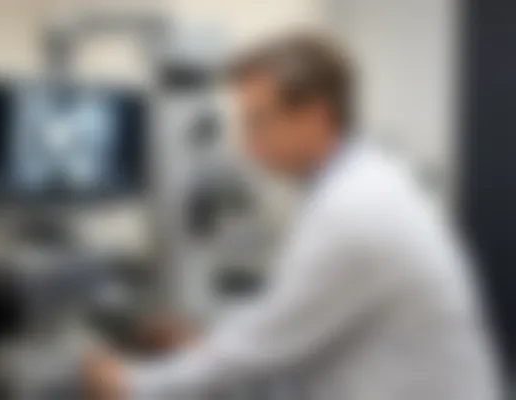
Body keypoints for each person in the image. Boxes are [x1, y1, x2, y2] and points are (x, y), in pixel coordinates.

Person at [84, 33, 500, 399]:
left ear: (315, 116)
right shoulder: (357, 182)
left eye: (258, 122)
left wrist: (134, 385)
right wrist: (209, 340)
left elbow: (263, 349)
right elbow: (286, 316)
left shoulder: (354, 211)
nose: (245, 142)